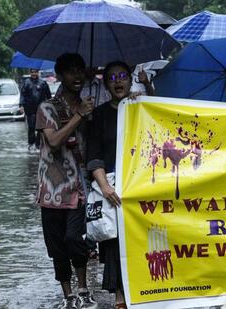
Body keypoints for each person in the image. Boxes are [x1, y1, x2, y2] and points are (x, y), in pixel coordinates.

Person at [35, 53, 97, 309]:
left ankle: (83, 289)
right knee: (57, 246)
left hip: (80, 188)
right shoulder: (46, 108)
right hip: (51, 189)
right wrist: (79, 116)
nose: (77, 76)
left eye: (80, 71)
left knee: (75, 238)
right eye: (71, 72)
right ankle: (68, 295)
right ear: (60, 76)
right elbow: (55, 140)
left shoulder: (88, 107)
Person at [87, 61, 138, 309]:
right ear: (106, 84)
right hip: (113, 186)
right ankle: (119, 294)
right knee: (115, 240)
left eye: (123, 76)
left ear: (130, 79)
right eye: (112, 78)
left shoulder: (142, 108)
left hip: (140, 184)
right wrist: (105, 186)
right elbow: (93, 156)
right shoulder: (99, 115)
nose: (118, 81)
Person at [19, 68, 51, 150]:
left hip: (41, 108)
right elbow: (22, 95)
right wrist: (21, 105)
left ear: (38, 73)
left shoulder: (43, 83)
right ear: (30, 73)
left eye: (35, 72)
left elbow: (48, 95)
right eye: (32, 72)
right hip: (29, 108)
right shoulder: (26, 83)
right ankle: (31, 143)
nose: (34, 74)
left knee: (40, 128)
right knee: (31, 126)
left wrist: (50, 105)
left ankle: (38, 144)